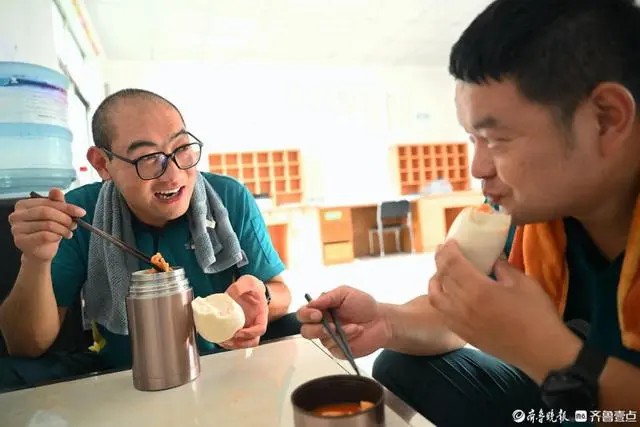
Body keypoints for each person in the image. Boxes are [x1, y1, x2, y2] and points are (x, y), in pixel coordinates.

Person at [298, 0, 640, 425]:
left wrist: (546, 350)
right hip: (568, 397)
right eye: (472, 139)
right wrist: (385, 321)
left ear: (605, 119)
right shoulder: (534, 221)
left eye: (496, 139)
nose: (477, 168)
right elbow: (455, 322)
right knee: (399, 363)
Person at [0, 89, 299, 388]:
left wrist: (261, 299)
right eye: (148, 157)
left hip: (221, 365)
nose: (173, 175)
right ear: (103, 163)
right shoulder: (78, 215)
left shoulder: (229, 198)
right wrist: (35, 260)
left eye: (182, 147)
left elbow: (280, 292)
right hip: (121, 374)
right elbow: (25, 346)